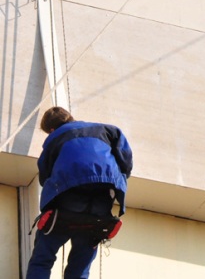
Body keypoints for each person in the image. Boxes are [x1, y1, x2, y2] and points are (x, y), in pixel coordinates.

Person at [27, 106, 133, 279]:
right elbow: (126, 162)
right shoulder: (107, 131)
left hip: (65, 209)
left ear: (52, 129)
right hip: (99, 211)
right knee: (80, 268)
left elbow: (44, 175)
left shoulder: (54, 139)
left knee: (42, 260)